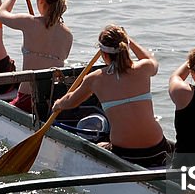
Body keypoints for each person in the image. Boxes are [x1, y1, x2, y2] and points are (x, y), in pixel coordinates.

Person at [51, 25, 172, 167]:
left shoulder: (95, 79)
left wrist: (58, 104)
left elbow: (71, 102)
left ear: (104, 54)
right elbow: (152, 60)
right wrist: (129, 40)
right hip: (157, 149)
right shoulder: (144, 68)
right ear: (126, 47)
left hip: (126, 153)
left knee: (100, 144)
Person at [0, 0, 73, 115]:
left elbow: (1, 14)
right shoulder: (68, 35)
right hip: (51, 102)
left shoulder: (29, 22)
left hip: (26, 101)